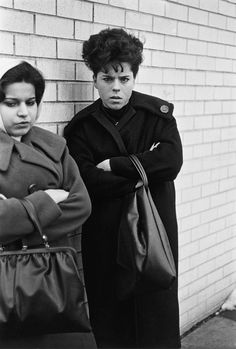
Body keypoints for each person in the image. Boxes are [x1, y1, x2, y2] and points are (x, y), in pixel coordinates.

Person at [64, 28, 183, 348]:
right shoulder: (82, 126)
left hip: (152, 231)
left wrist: (115, 165)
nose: (115, 87)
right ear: (94, 79)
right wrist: (145, 169)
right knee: (110, 315)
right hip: (105, 233)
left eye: (124, 79)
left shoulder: (157, 115)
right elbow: (87, 180)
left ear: (134, 77)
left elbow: (171, 163)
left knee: (156, 314)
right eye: (107, 78)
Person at [0, 61, 96, 348]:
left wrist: (16, 217)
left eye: (31, 102)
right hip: (7, 281)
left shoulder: (54, 146)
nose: (23, 112)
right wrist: (46, 201)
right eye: (11, 103)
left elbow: (82, 205)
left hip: (55, 275)